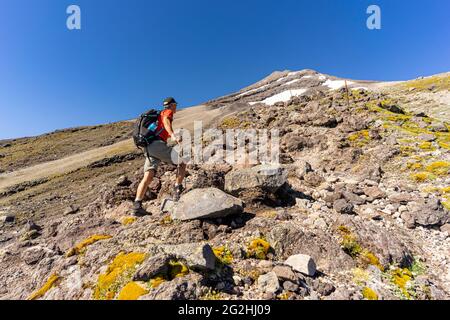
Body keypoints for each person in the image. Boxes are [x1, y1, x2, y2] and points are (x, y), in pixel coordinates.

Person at [133, 97, 187, 216]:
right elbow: (166, 121)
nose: (176, 107)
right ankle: (178, 190)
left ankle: (137, 205)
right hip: (157, 144)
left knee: (148, 176)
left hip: (148, 147)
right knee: (181, 163)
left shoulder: (157, 117)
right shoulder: (167, 112)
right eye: (175, 105)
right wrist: (172, 135)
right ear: (172, 105)